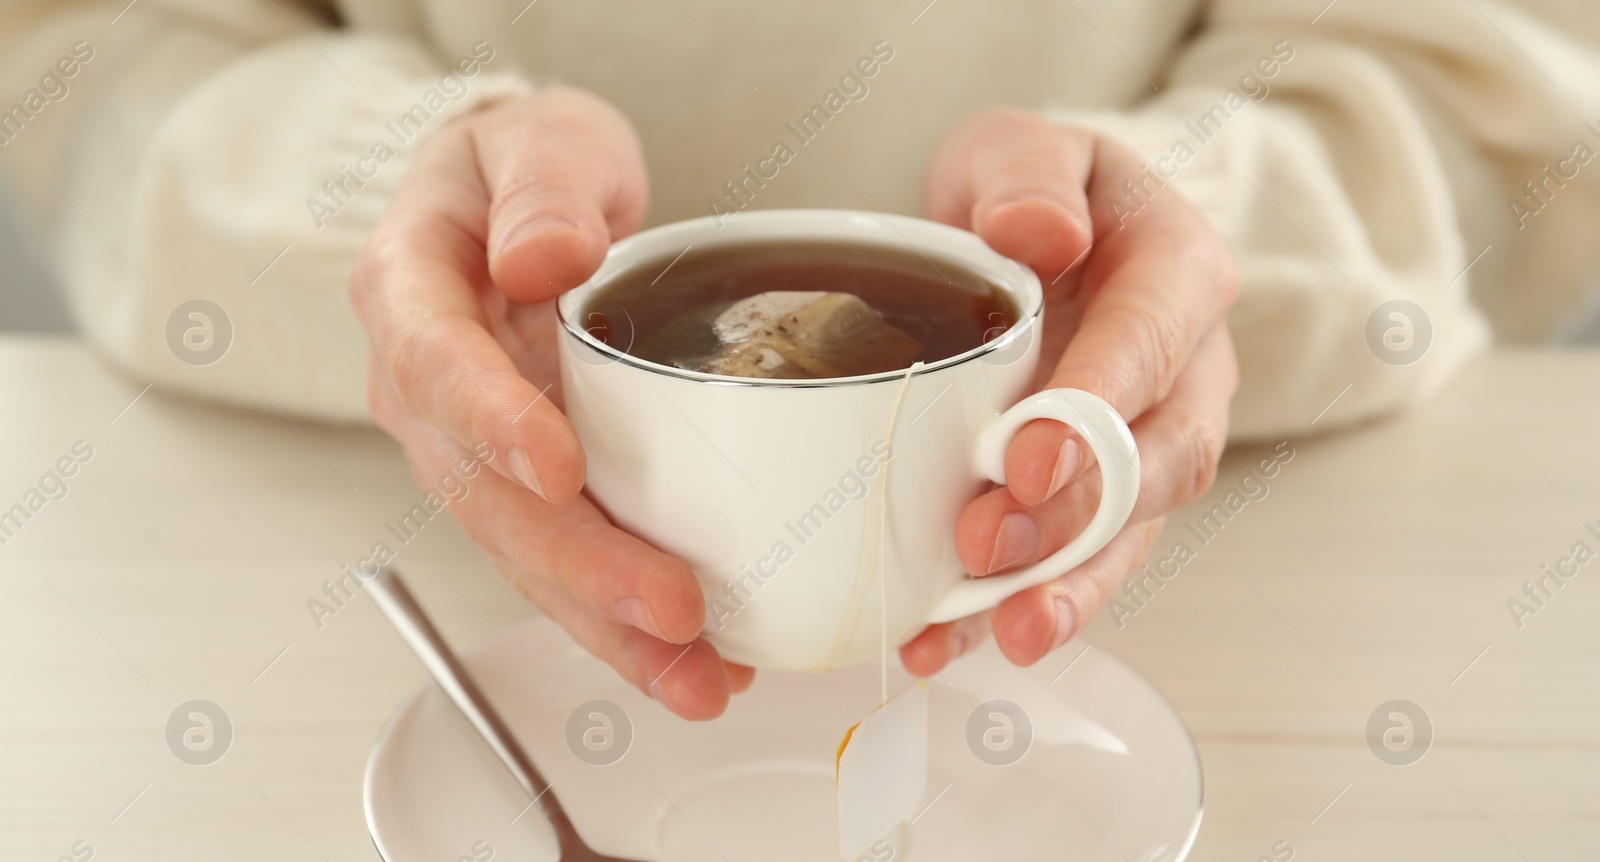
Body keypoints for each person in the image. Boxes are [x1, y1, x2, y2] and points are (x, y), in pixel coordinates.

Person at [3, 1, 1598, 719]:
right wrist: (383, 187)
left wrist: (1188, 236)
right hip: (285, 583)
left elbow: (1500, 88)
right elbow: (73, 56)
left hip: (1253, 633)